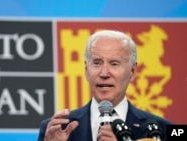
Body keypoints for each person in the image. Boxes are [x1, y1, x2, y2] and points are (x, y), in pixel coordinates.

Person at [37, 29, 173, 141]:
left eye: (114, 64)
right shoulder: (57, 129)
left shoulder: (165, 129)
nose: (104, 73)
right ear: (86, 70)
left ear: (132, 71)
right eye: (97, 63)